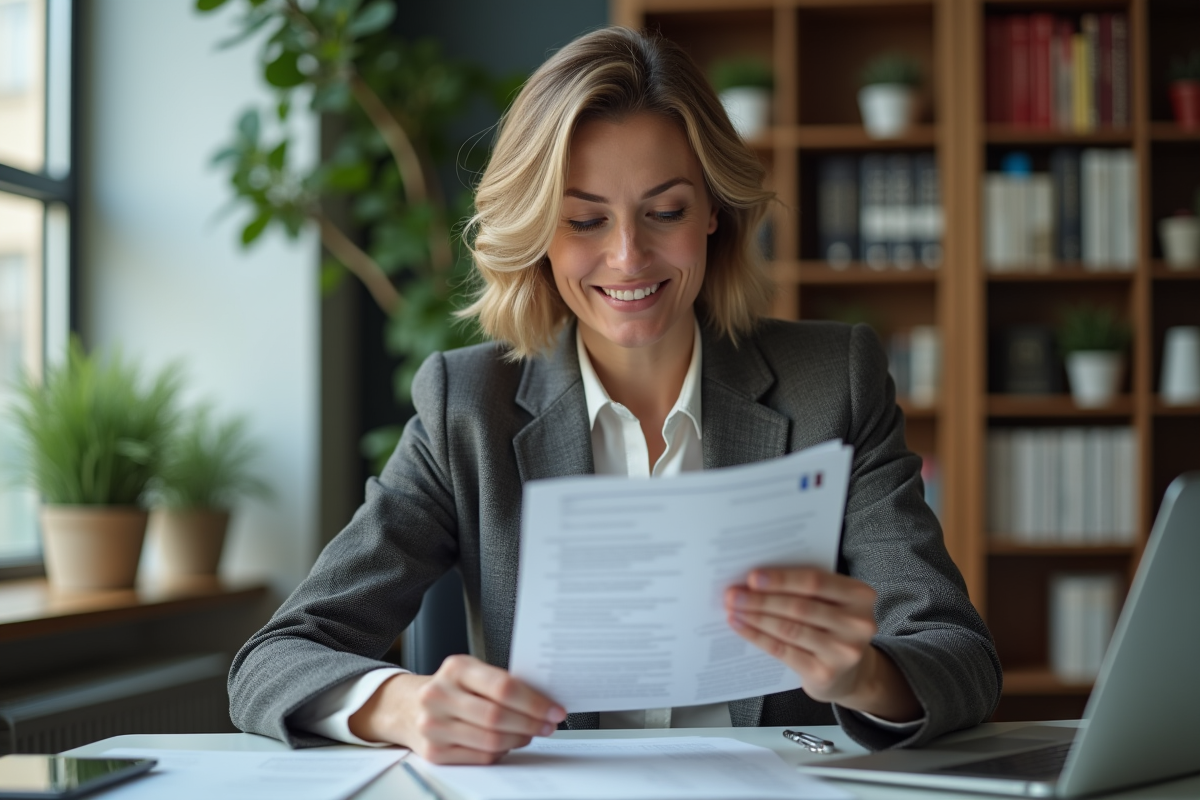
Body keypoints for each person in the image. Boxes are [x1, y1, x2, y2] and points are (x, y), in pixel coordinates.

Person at [228, 26, 1001, 765]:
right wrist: (401, 705)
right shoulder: (467, 404)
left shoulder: (832, 382)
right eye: (584, 220)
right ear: (537, 231)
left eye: (664, 212)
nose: (628, 257)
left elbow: (959, 655)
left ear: (714, 216)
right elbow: (272, 660)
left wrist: (863, 679)